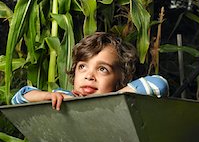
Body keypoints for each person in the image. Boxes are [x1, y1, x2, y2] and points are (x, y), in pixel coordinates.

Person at [11, 31, 168, 110]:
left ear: (120, 79)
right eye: (82, 67)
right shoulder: (66, 96)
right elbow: (19, 98)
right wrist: (48, 96)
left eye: (102, 69)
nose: (89, 76)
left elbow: (159, 84)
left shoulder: (124, 103)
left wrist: (118, 96)